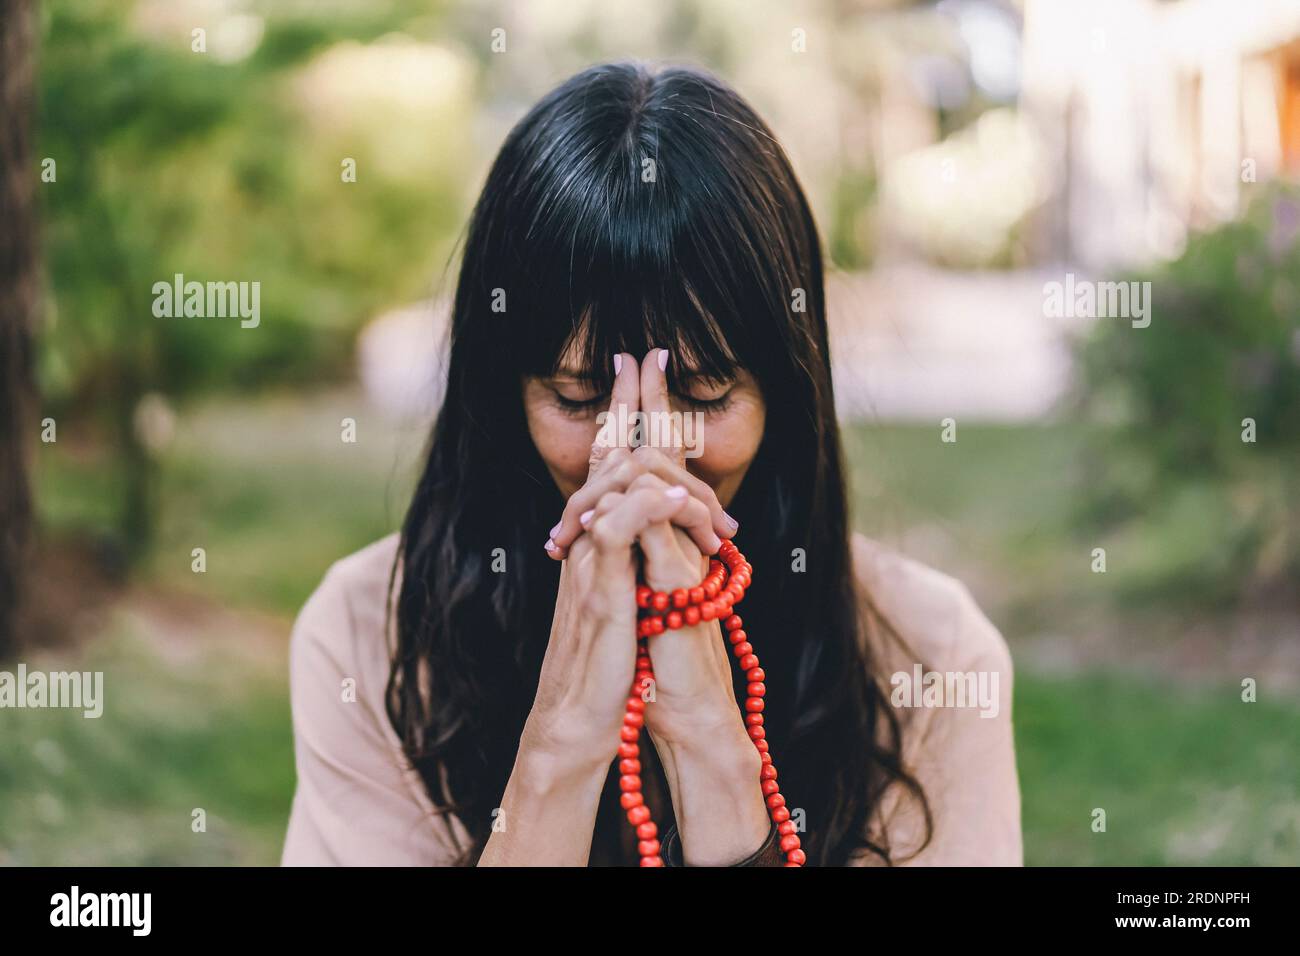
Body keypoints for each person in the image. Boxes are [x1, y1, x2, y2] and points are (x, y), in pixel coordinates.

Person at [281, 61, 1022, 867]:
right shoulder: (367, 640)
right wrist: (561, 746)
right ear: (503, 396)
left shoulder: (932, 659)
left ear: (786, 394)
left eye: (702, 394)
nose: (643, 462)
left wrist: (713, 744)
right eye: (579, 396)